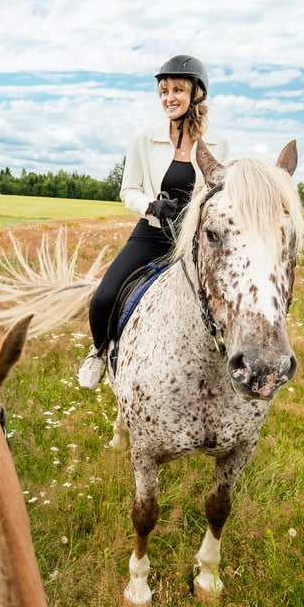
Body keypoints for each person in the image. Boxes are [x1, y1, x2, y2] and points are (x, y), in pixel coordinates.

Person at [77, 54, 230, 390]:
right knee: (103, 298)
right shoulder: (143, 138)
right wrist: (151, 206)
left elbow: (222, 195)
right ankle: (99, 352)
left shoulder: (219, 143)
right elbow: (127, 190)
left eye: (177, 90)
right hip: (151, 235)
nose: (169, 98)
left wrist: (195, 211)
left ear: (197, 95)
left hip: (193, 241)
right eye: (163, 91)